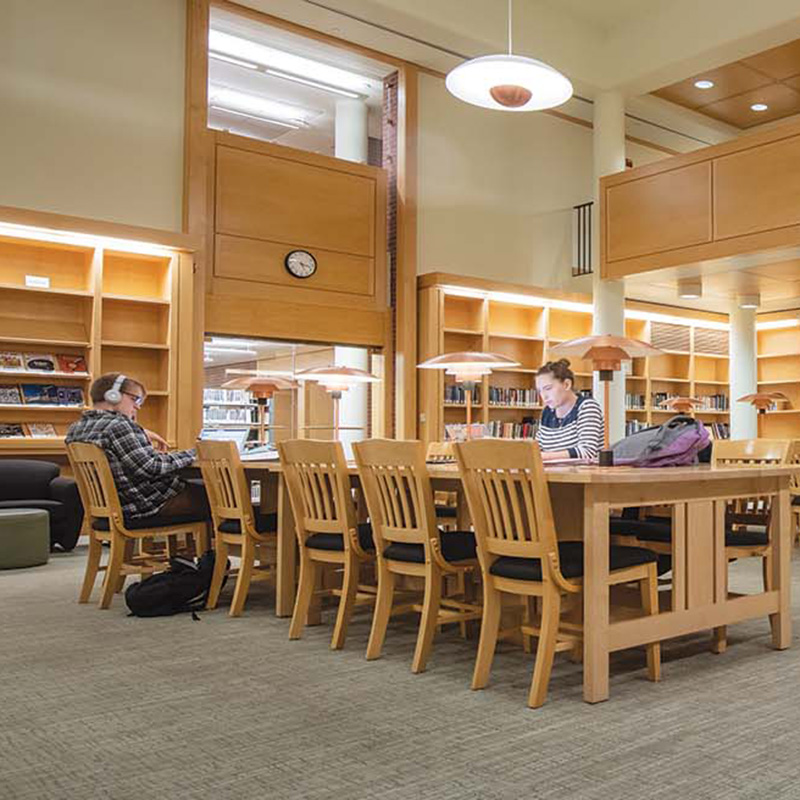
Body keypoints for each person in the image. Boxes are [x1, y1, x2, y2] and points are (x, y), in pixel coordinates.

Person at [66, 373, 209, 521]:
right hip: (145, 505)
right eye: (135, 399)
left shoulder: (75, 428)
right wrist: (196, 453)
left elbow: (138, 461)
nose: (138, 407)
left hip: (114, 505)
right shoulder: (119, 426)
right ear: (112, 395)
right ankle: (217, 544)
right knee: (220, 496)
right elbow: (150, 467)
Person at [534, 359, 603, 461]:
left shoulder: (587, 407)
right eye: (540, 391)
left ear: (567, 384)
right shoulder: (547, 412)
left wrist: (541, 457)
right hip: (552, 475)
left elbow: (587, 452)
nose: (544, 396)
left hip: (583, 475)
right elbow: (537, 449)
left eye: (548, 388)